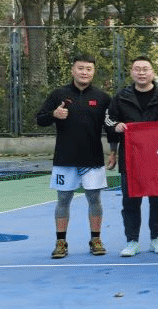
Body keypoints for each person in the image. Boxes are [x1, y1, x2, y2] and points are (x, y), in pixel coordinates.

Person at [35, 54, 114, 258]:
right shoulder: (58, 94)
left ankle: (96, 240)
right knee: (63, 200)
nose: (84, 72)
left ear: (93, 72)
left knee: (95, 199)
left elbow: (111, 126)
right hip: (65, 159)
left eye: (88, 69)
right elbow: (40, 119)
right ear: (72, 70)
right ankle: (61, 242)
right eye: (80, 68)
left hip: (93, 159)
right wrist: (53, 114)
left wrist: (114, 150)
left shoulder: (103, 98)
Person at [106, 55, 158, 256]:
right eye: (137, 69)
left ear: (152, 72)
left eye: (145, 69)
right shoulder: (121, 97)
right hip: (130, 158)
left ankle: (157, 238)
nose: (141, 73)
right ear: (132, 72)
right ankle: (132, 240)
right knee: (131, 201)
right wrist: (116, 126)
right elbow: (108, 120)